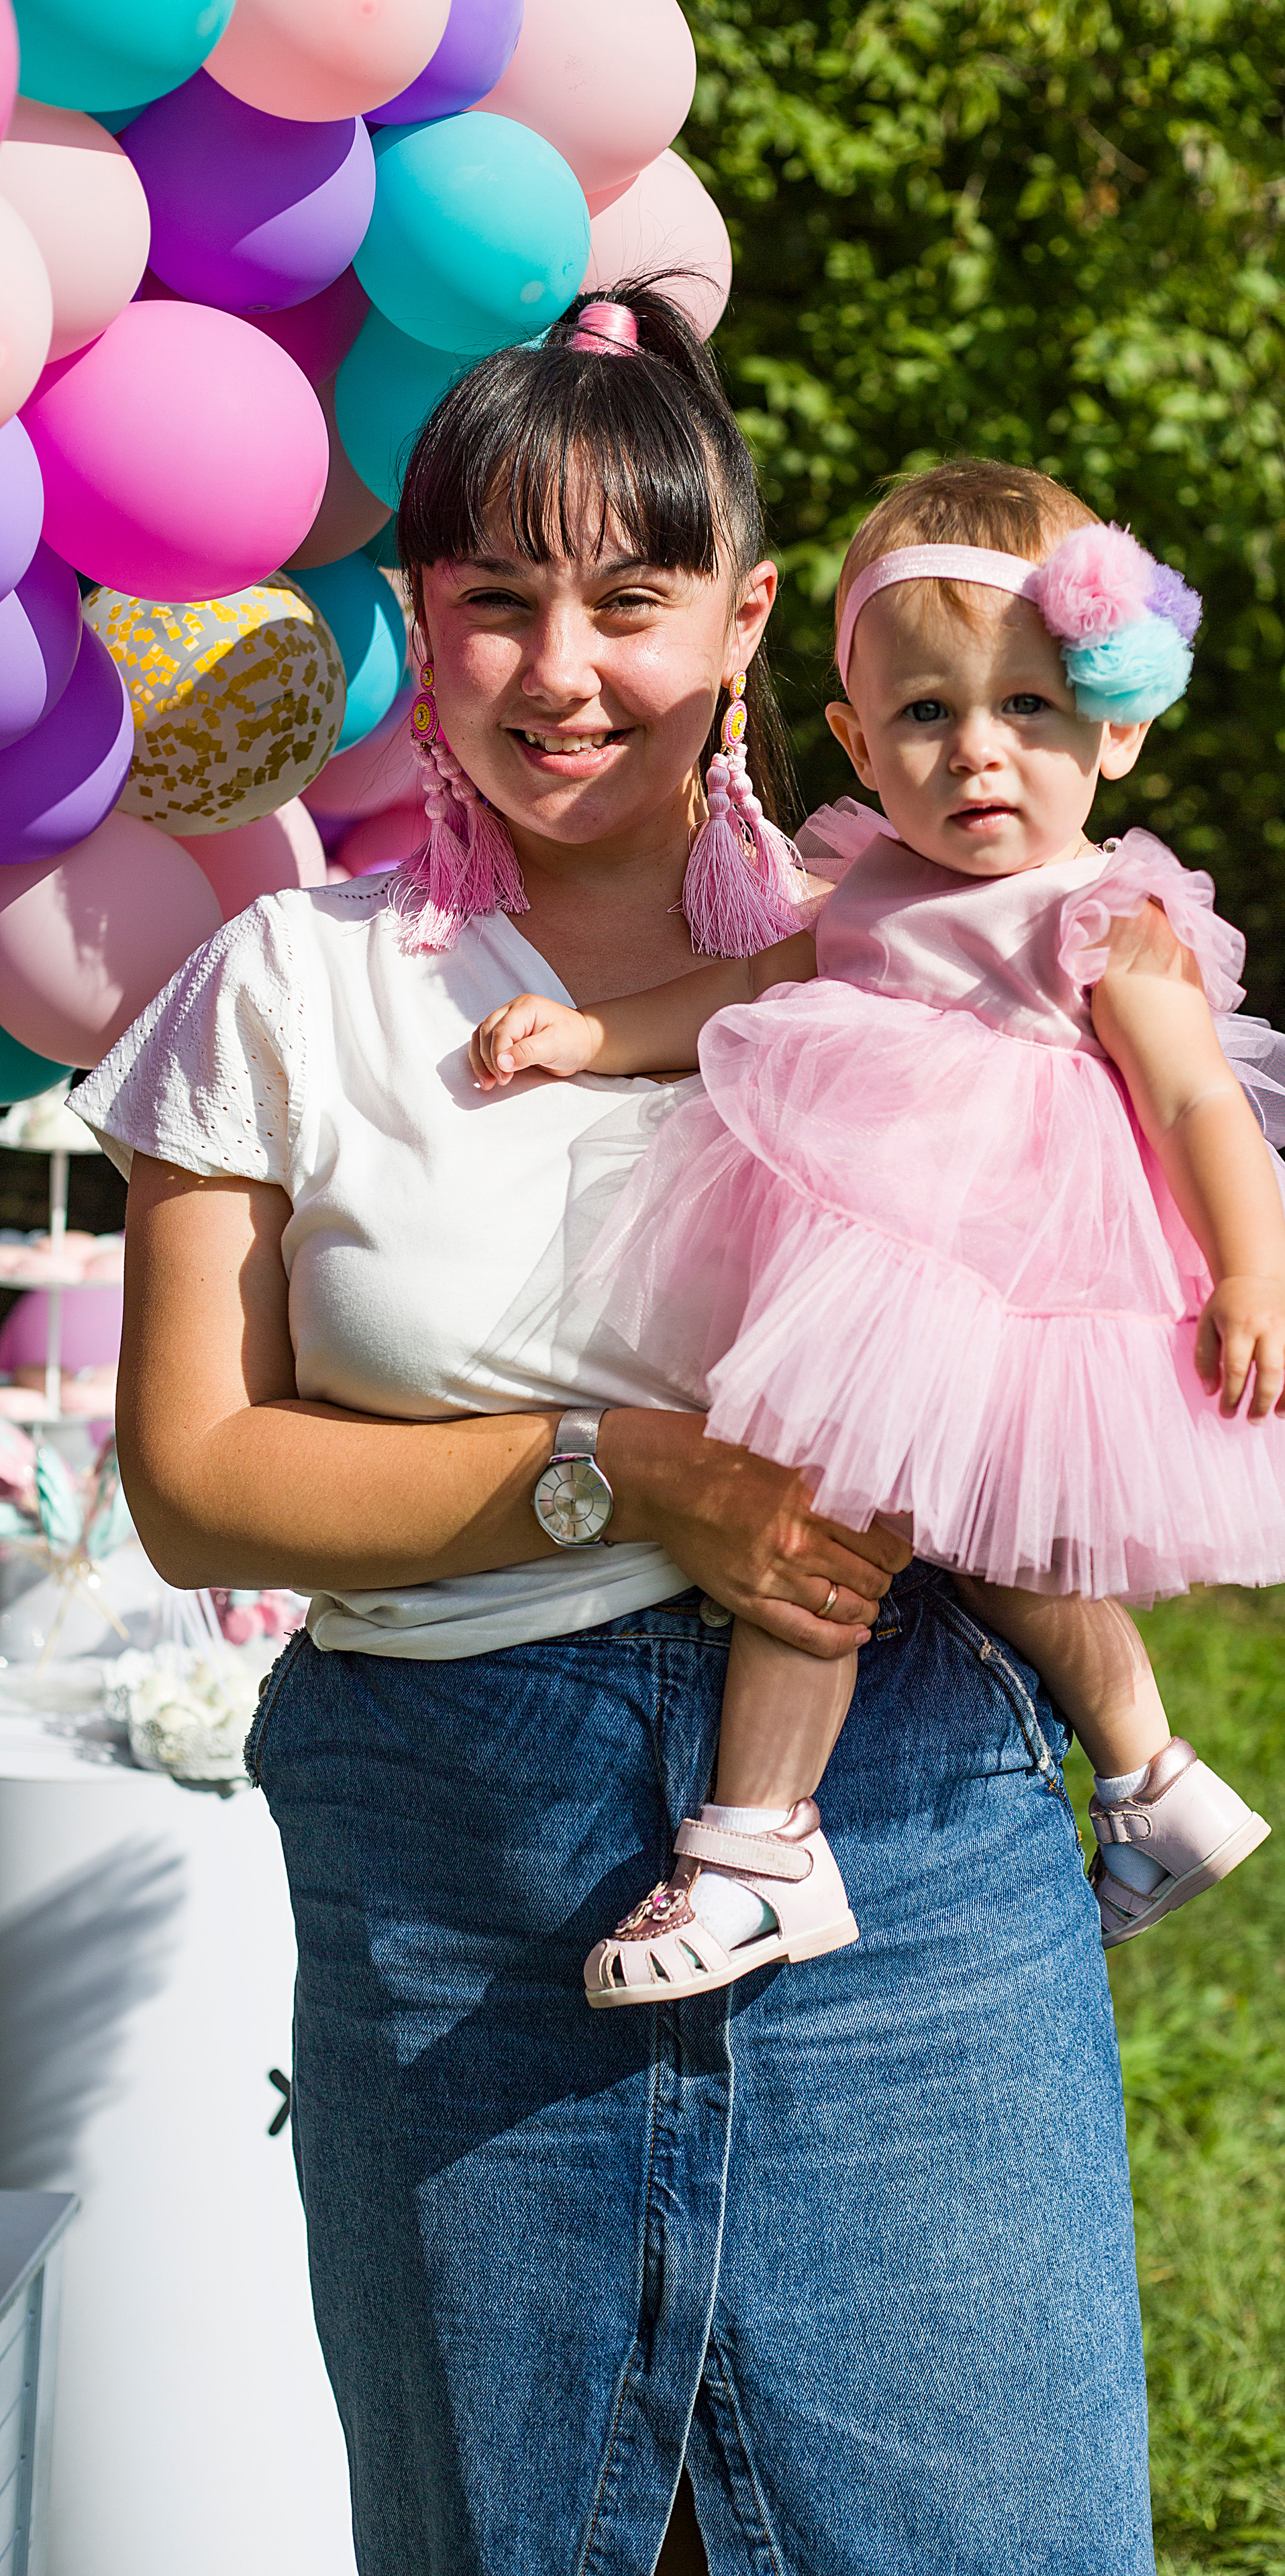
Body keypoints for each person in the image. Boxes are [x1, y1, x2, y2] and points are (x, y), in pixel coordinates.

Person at [69, 288, 1157, 2575]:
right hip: (462, 1871)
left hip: (898, 1843)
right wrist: (629, 1470)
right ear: (417, 619)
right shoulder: (281, 989)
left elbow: (1113, 1341)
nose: (563, 674)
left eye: (634, 602)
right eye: (495, 604)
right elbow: (194, 1483)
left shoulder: (926, 945)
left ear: (756, 625)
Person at [469, 458, 1285, 2006]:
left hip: (1009, 1274)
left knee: (824, 1514)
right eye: (925, 716)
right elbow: (739, 993)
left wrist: (1250, 1273)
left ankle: (757, 1845)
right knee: (1001, 1548)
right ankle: (1153, 1778)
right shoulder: (864, 885)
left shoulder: (1101, 919)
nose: (976, 756)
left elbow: (1195, 1106)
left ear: (1112, 729)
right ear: (855, 736)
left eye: (1027, 713)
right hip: (896, 1268)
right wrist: (592, 1037)